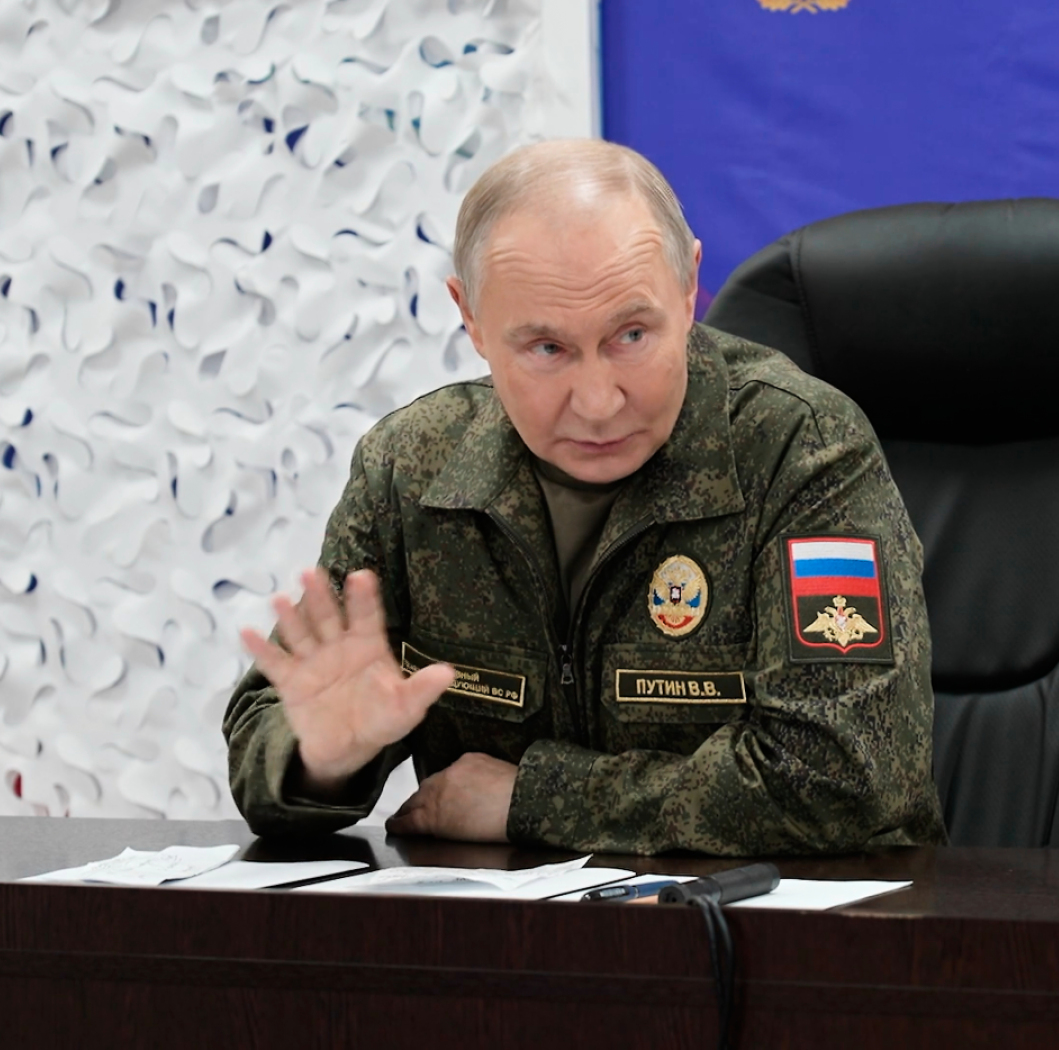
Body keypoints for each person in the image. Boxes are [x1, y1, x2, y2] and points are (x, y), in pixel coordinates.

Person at [223, 140, 945, 855]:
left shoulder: (801, 448)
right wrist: (323, 759)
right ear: (470, 319)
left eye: (631, 335)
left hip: (789, 919)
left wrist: (534, 800)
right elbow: (273, 730)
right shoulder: (411, 468)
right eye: (548, 349)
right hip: (501, 921)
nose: (598, 402)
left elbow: (846, 776)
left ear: (688, 287)